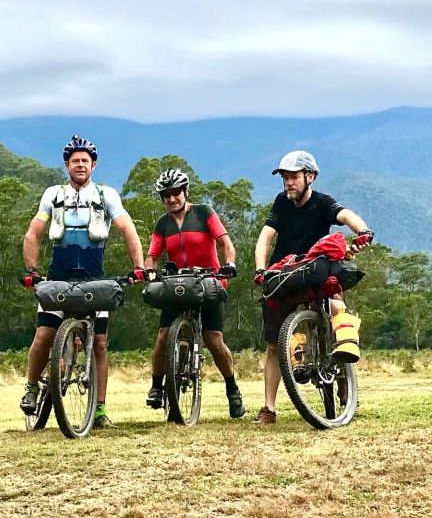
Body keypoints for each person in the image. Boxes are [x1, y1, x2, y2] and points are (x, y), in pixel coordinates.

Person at [20, 135, 146, 429]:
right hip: (58, 277)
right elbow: (33, 233)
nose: (80, 165)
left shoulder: (107, 195)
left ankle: (99, 410)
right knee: (43, 335)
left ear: (94, 165)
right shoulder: (53, 194)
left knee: (100, 343)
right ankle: (31, 386)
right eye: (75, 161)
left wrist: (139, 267)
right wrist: (32, 270)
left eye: (85, 161)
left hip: (94, 279)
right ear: (67, 165)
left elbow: (127, 230)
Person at [252, 151, 373, 424]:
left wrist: (363, 231)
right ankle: (269, 409)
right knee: (273, 345)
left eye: (293, 176)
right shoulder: (281, 203)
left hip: (316, 271)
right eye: (284, 177)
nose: (288, 182)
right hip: (286, 273)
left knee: (336, 303)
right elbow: (265, 236)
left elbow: (344, 215)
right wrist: (261, 269)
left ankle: (343, 365)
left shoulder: (321, 203)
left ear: (310, 176)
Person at [143, 169, 246, 418]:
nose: (171, 199)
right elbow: (152, 256)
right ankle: (157, 386)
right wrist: (149, 272)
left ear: (185, 192)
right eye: (165, 195)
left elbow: (224, 242)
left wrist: (229, 264)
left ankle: (232, 389)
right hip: (177, 284)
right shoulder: (163, 223)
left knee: (213, 339)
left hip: (208, 282)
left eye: (175, 193)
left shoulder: (203, 212)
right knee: (163, 335)